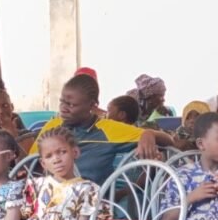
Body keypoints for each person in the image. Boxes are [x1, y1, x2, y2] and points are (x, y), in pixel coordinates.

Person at [31, 75, 172, 185]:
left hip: (91, 206)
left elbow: (168, 140)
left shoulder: (107, 130)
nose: (63, 108)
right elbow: (29, 164)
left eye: (71, 104)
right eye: (62, 102)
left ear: (92, 105)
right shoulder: (52, 127)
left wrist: (149, 134)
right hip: (52, 200)